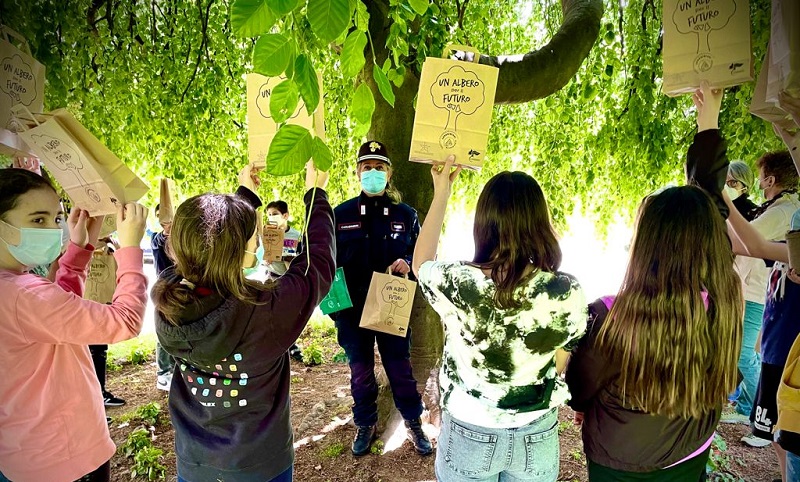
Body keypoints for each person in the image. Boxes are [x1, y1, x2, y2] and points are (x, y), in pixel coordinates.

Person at [566, 84, 743, 481]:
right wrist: (708, 127)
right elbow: (706, 209)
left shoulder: (610, 315)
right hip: (691, 454)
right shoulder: (725, 298)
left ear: (646, 244)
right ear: (712, 242)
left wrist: (710, 125)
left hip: (618, 459)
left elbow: (579, 385)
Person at [152, 162, 334, 482]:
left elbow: (210, 245)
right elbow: (317, 263)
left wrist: (245, 198)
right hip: (260, 466)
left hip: (195, 463)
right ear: (243, 250)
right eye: (253, 237)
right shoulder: (266, 311)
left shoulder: (169, 300)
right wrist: (316, 195)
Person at [412, 157, 588, 481]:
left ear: (484, 224)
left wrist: (442, 193)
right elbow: (561, 361)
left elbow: (420, 263)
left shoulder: (458, 282)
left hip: (469, 430)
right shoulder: (565, 290)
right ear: (539, 223)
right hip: (536, 433)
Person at [0, 169, 149, 481]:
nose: (52, 229)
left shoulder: (14, 288)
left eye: (56, 219)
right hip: (64, 458)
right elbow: (126, 320)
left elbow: (57, 317)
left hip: (27, 452)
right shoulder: (24, 294)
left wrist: (80, 249)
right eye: (38, 220)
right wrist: (131, 248)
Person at [328, 140, 431, 457]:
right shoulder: (339, 214)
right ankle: (365, 423)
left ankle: (413, 423)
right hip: (352, 312)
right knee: (359, 372)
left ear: (389, 173)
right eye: (367, 167)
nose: (373, 173)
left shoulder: (406, 215)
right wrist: (335, 309)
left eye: (379, 167)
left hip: (390, 307)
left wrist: (409, 263)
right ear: (358, 172)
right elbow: (325, 261)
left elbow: (423, 254)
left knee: (400, 369)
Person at [744, 151, 800, 478]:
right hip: (779, 322)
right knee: (784, 428)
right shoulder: (786, 209)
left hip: (786, 331)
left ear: (771, 179)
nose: (760, 183)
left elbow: (747, 240)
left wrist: (719, 194)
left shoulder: (785, 210)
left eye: (762, 175)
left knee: (784, 425)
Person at [720, 160, 767, 432]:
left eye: (733, 182)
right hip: (738, 289)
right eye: (724, 181)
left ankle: (756, 409)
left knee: (743, 353)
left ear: (745, 185)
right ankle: (746, 404)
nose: (728, 187)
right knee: (742, 351)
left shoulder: (749, 213)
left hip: (749, 292)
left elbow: (744, 257)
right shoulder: (730, 210)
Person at [265, 200, 304, 361]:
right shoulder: (268, 234)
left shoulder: (296, 236)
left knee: (290, 315)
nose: (271, 217)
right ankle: (280, 348)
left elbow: (302, 259)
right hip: (272, 278)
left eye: (274, 214)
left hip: (290, 279)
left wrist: (285, 257)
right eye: (268, 215)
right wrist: (265, 259)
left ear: (285, 216)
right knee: (273, 315)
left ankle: (292, 346)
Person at [152, 204, 176, 391]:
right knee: (164, 330)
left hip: (180, 287)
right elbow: (157, 242)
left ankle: (175, 370)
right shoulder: (157, 237)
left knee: (178, 329)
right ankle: (163, 374)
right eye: (160, 216)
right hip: (163, 288)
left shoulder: (180, 238)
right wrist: (164, 235)